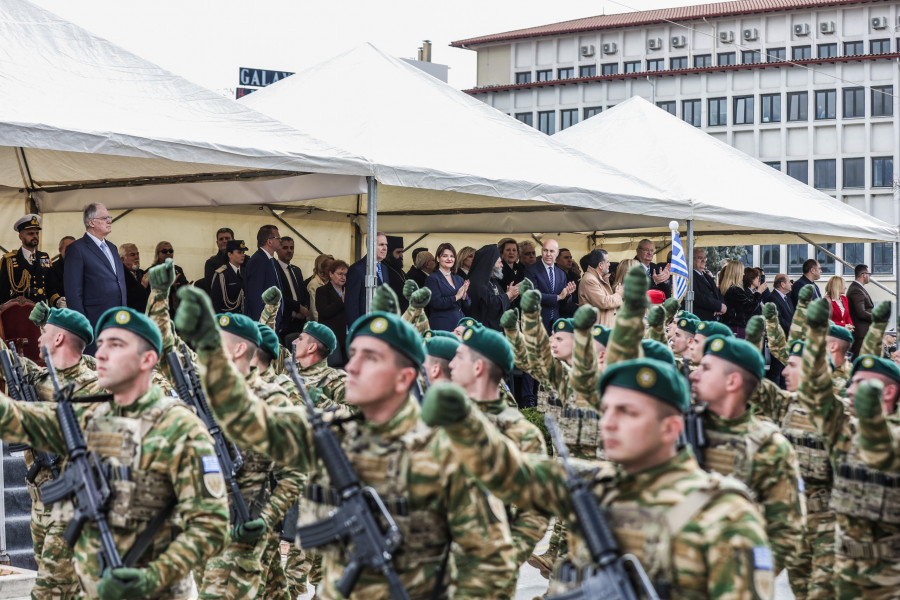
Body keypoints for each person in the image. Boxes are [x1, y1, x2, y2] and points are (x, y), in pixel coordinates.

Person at [175, 291, 519, 599]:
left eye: (370, 358)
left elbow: (492, 562)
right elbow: (246, 412)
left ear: (407, 376)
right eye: (353, 355)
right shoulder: (337, 433)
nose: (350, 367)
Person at [420, 357, 775, 599]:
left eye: (627, 412)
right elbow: (510, 471)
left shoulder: (725, 513)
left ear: (671, 427)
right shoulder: (592, 485)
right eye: (606, 410)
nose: (608, 423)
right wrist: (463, 423)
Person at [0, 306, 229, 598]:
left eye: (116, 345)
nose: (103, 354)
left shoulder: (181, 428)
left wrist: (154, 575)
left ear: (146, 361)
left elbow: (212, 524)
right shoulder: (92, 417)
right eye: (103, 344)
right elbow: (14, 416)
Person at [798, 297, 900, 597]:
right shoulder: (846, 433)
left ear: (889, 392)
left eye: (862, 384)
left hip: (889, 582)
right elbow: (816, 393)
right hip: (842, 571)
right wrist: (815, 333)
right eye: (852, 383)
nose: (850, 390)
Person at [689, 335, 806, 594]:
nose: (695, 375)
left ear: (732, 381)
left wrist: (746, 581)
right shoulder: (678, 428)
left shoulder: (769, 446)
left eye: (706, 369)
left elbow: (786, 531)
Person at [448, 325, 549, 593]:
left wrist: (506, 557)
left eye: (459, 357)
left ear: (479, 367)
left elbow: (537, 506)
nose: (451, 363)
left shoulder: (520, 433)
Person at [63, 203, 128, 341]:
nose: (110, 221)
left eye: (109, 217)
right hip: (94, 323)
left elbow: (118, 282)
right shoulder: (77, 249)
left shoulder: (113, 248)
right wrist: (82, 325)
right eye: (105, 218)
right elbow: (73, 292)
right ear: (91, 222)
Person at [0, 214, 62, 307]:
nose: (35, 236)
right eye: (31, 233)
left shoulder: (43, 257)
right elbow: (3, 292)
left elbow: (49, 285)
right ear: (21, 236)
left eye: (37, 233)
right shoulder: (9, 261)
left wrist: (57, 300)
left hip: (40, 311)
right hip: (19, 311)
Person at [524, 239, 576, 331]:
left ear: (557, 253)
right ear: (541, 251)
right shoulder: (531, 270)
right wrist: (558, 297)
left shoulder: (561, 274)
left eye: (552, 251)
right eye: (545, 250)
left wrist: (567, 294)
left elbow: (562, 303)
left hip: (555, 323)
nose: (548, 254)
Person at [466, 244, 517, 331]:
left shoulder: (492, 281)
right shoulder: (477, 282)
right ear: (491, 263)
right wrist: (508, 295)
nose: (502, 265)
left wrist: (510, 297)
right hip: (482, 330)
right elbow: (490, 304)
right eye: (499, 262)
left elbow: (499, 303)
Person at [244, 224, 284, 329]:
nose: (280, 240)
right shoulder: (258, 261)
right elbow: (255, 296)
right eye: (278, 237)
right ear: (269, 241)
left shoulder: (272, 261)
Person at [344, 232, 388, 326]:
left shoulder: (384, 269)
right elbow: (351, 305)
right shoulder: (356, 269)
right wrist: (356, 330)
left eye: (386, 245)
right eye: (381, 245)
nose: (385, 248)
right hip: (365, 327)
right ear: (370, 246)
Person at [425, 243, 471, 331]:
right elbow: (436, 303)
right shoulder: (432, 279)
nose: (449, 259)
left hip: (459, 324)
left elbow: (467, 306)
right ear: (438, 258)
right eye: (445, 256)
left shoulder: (459, 279)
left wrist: (464, 296)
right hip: (442, 325)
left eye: (452, 256)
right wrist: (456, 297)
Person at [274, 236, 310, 339]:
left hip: (301, 322)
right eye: (285, 248)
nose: (289, 251)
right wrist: (297, 308)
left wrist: (306, 308)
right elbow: (279, 296)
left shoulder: (296, 270)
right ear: (277, 250)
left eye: (291, 248)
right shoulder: (274, 270)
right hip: (284, 321)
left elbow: (305, 293)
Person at [576, 248, 622, 328]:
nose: (609, 264)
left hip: (602, 328)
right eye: (607, 262)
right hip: (596, 330)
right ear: (600, 265)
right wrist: (618, 295)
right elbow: (603, 302)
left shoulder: (599, 278)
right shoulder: (590, 280)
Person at [315, 259, 349, 364]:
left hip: (347, 337)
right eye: (340, 274)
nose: (343, 277)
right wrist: (341, 302)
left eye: (345, 274)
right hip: (332, 337)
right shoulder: (322, 291)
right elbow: (324, 312)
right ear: (331, 274)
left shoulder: (349, 289)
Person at [721, 263, 765, 337]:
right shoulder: (735, 290)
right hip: (738, 328)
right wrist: (758, 293)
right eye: (742, 271)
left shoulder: (732, 289)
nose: (743, 274)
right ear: (737, 273)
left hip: (735, 327)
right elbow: (749, 308)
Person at [150, 241, 189, 317]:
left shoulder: (177, 270)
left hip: (177, 311)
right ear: (158, 254)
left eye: (170, 251)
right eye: (164, 251)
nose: (168, 253)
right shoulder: (152, 271)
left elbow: (183, 284)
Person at [209, 239, 247, 315]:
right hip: (228, 317)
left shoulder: (245, 272)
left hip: (244, 317)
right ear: (230, 254)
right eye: (239, 252)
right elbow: (215, 302)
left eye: (243, 252)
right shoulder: (221, 274)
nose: (243, 255)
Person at [688, 247, 725, 321]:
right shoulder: (690, 276)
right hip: (700, 320)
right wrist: (718, 306)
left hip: (713, 319)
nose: (704, 260)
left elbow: (717, 293)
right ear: (692, 259)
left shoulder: (707, 276)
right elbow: (697, 297)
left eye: (705, 258)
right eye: (700, 258)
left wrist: (721, 305)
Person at [847, 263, 874, 358]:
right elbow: (861, 313)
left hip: (863, 333)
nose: (869, 276)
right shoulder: (856, 290)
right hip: (860, 334)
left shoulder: (858, 288)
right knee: (858, 361)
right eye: (868, 273)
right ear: (864, 275)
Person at [119, 243, 149, 312]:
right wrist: (143, 285)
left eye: (137, 254)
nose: (137, 257)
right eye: (132, 255)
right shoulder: (119, 277)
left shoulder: (141, 273)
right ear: (122, 259)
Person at [382, 236, 408, 310]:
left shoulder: (399, 269)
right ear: (388, 253)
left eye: (402, 252)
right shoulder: (383, 270)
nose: (401, 255)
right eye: (398, 252)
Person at [306, 253, 333, 322]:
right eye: (330, 266)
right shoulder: (314, 284)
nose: (333, 269)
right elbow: (314, 311)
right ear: (322, 268)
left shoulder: (330, 282)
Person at [48, 235, 75, 299]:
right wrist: (57, 301)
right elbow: (51, 290)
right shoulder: (53, 269)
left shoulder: (83, 267)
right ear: (60, 250)